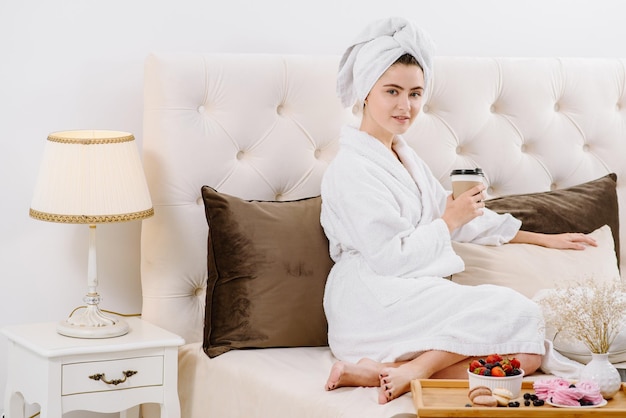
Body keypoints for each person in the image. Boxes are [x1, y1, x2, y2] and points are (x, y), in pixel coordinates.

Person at [320, 17, 597, 405]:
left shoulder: (403, 156)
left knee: (528, 355)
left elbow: (461, 219)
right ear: (366, 92)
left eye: (416, 93)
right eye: (392, 91)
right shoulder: (351, 169)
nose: (406, 105)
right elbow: (390, 257)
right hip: (371, 299)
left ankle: (378, 373)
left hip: (410, 292)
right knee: (518, 312)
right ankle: (415, 368)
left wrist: (543, 239)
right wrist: (448, 221)